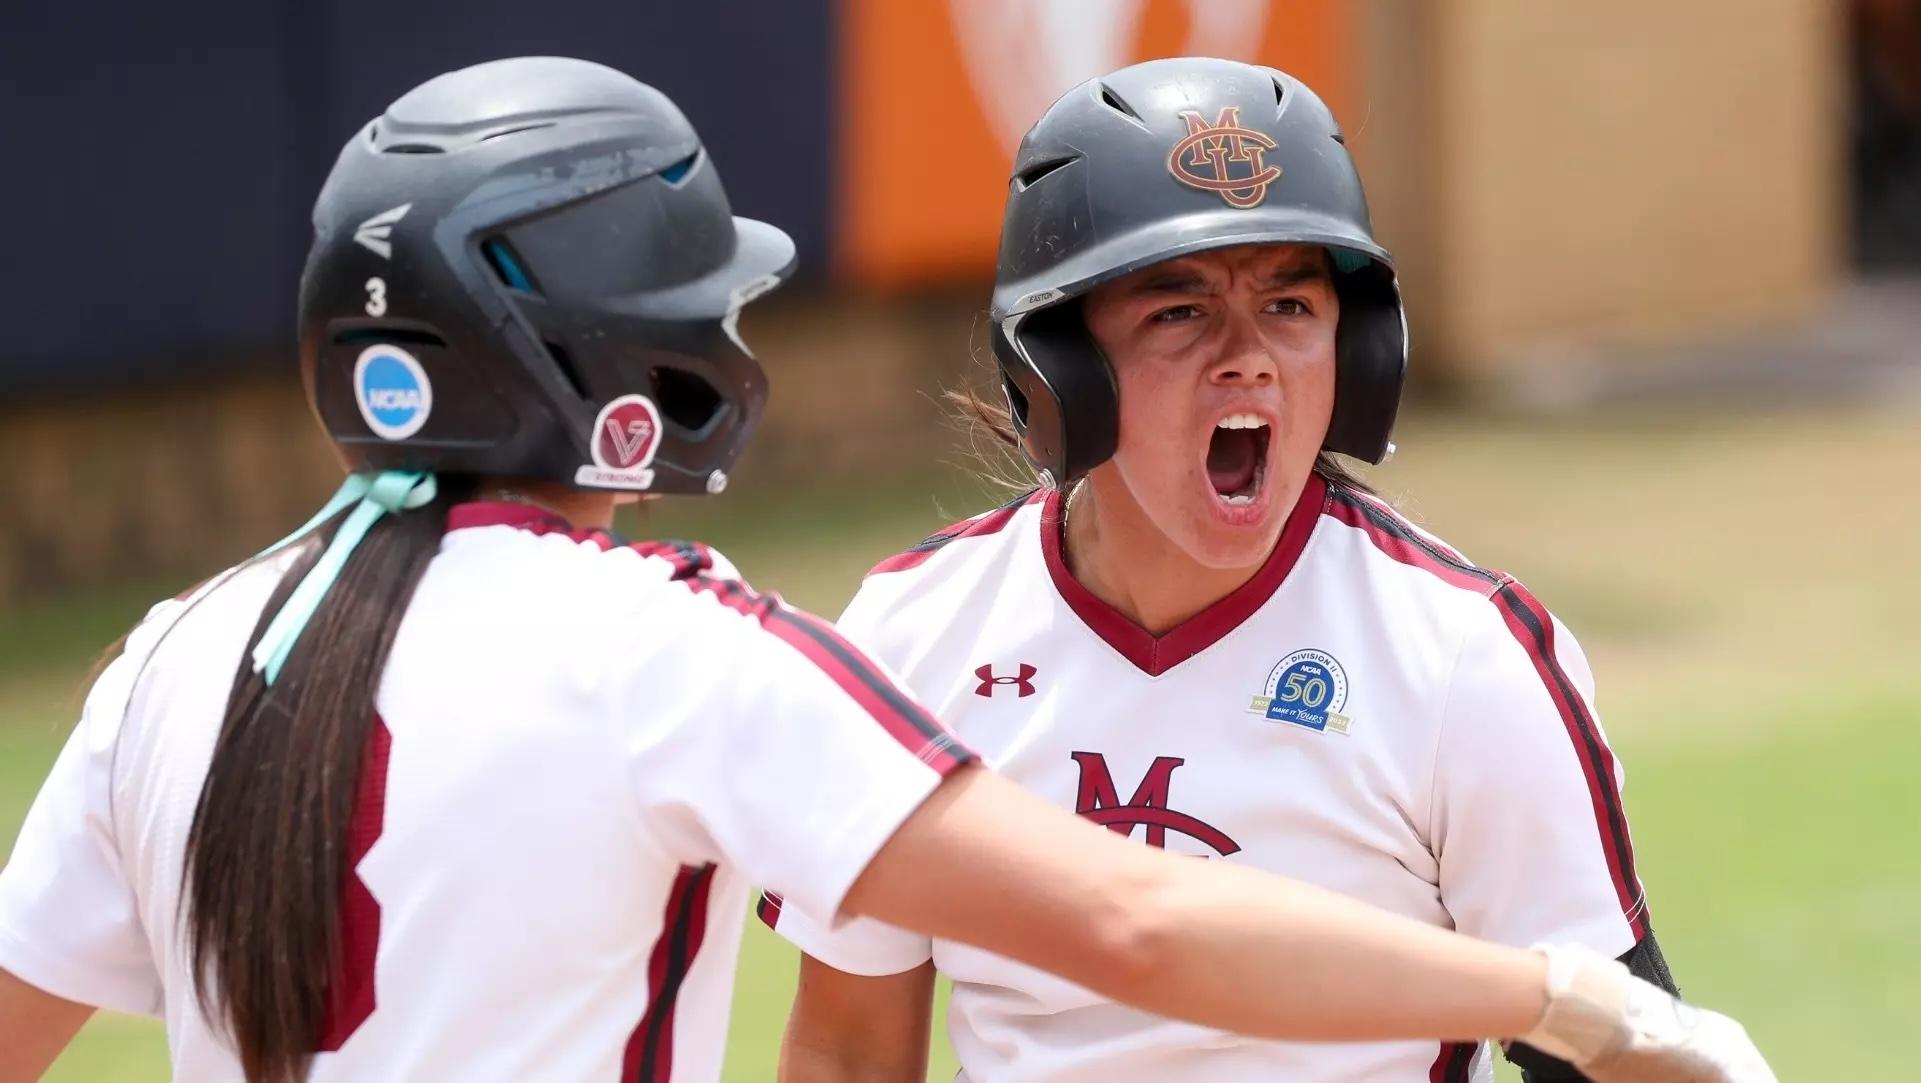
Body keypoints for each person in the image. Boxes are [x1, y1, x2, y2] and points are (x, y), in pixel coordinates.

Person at [0, 56, 1772, 1083]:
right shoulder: (680, 646)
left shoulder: (172, 650)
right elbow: (1126, 917)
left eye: (1291, 306)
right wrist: (1563, 995)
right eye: (697, 314)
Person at [765, 57, 1708, 1083]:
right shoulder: (911, 635)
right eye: (1179, 311)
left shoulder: (1458, 656)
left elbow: (1612, 1050)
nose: (1247, 356)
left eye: (1289, 306)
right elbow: (848, 1043)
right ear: (1059, 368)